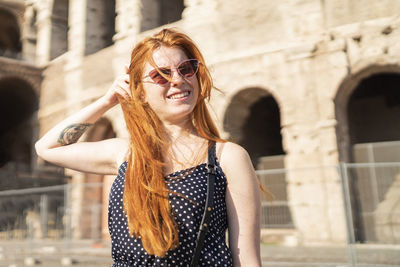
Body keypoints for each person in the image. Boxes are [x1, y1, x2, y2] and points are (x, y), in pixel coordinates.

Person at [35, 28, 261, 266]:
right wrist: (107, 100)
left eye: (186, 69)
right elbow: (46, 148)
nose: (178, 79)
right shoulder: (125, 153)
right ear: (140, 92)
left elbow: (246, 258)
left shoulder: (227, 157)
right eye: (161, 75)